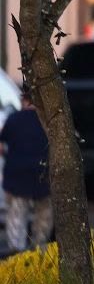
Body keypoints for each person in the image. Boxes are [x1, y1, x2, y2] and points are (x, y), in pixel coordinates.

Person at [1, 89, 52, 252]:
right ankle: (40, 251)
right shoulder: (48, 122)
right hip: (44, 176)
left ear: (24, 100)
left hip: (18, 177)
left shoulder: (14, 119)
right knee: (43, 218)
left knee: (17, 216)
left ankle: (17, 252)